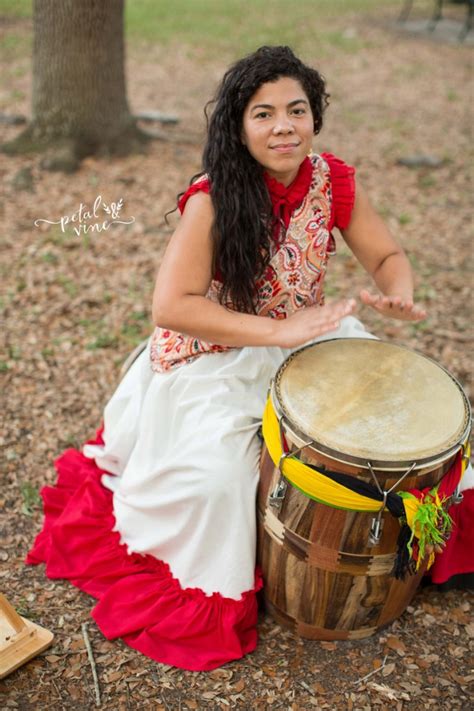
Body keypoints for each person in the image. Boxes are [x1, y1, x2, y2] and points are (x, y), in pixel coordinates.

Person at [26, 45, 471, 672]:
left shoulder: (333, 181)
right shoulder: (211, 199)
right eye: (264, 114)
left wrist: (398, 292)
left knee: (410, 431)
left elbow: (387, 256)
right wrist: (276, 332)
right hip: (217, 351)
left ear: (315, 118)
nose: (283, 126)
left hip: (309, 334)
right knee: (215, 483)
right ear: (239, 127)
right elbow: (171, 306)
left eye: (297, 110)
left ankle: (413, 551)